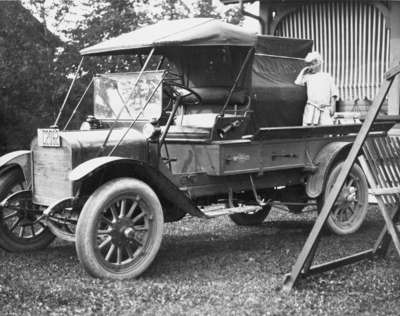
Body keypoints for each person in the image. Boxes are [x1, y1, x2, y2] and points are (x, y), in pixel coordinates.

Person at [295, 52, 338, 126]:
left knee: (326, 130)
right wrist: (303, 71)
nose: (311, 67)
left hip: (324, 109)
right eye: (309, 65)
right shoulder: (308, 77)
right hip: (311, 109)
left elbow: (333, 93)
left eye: (312, 64)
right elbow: (298, 82)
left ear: (318, 63)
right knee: (309, 131)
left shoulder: (327, 76)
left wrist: (333, 106)